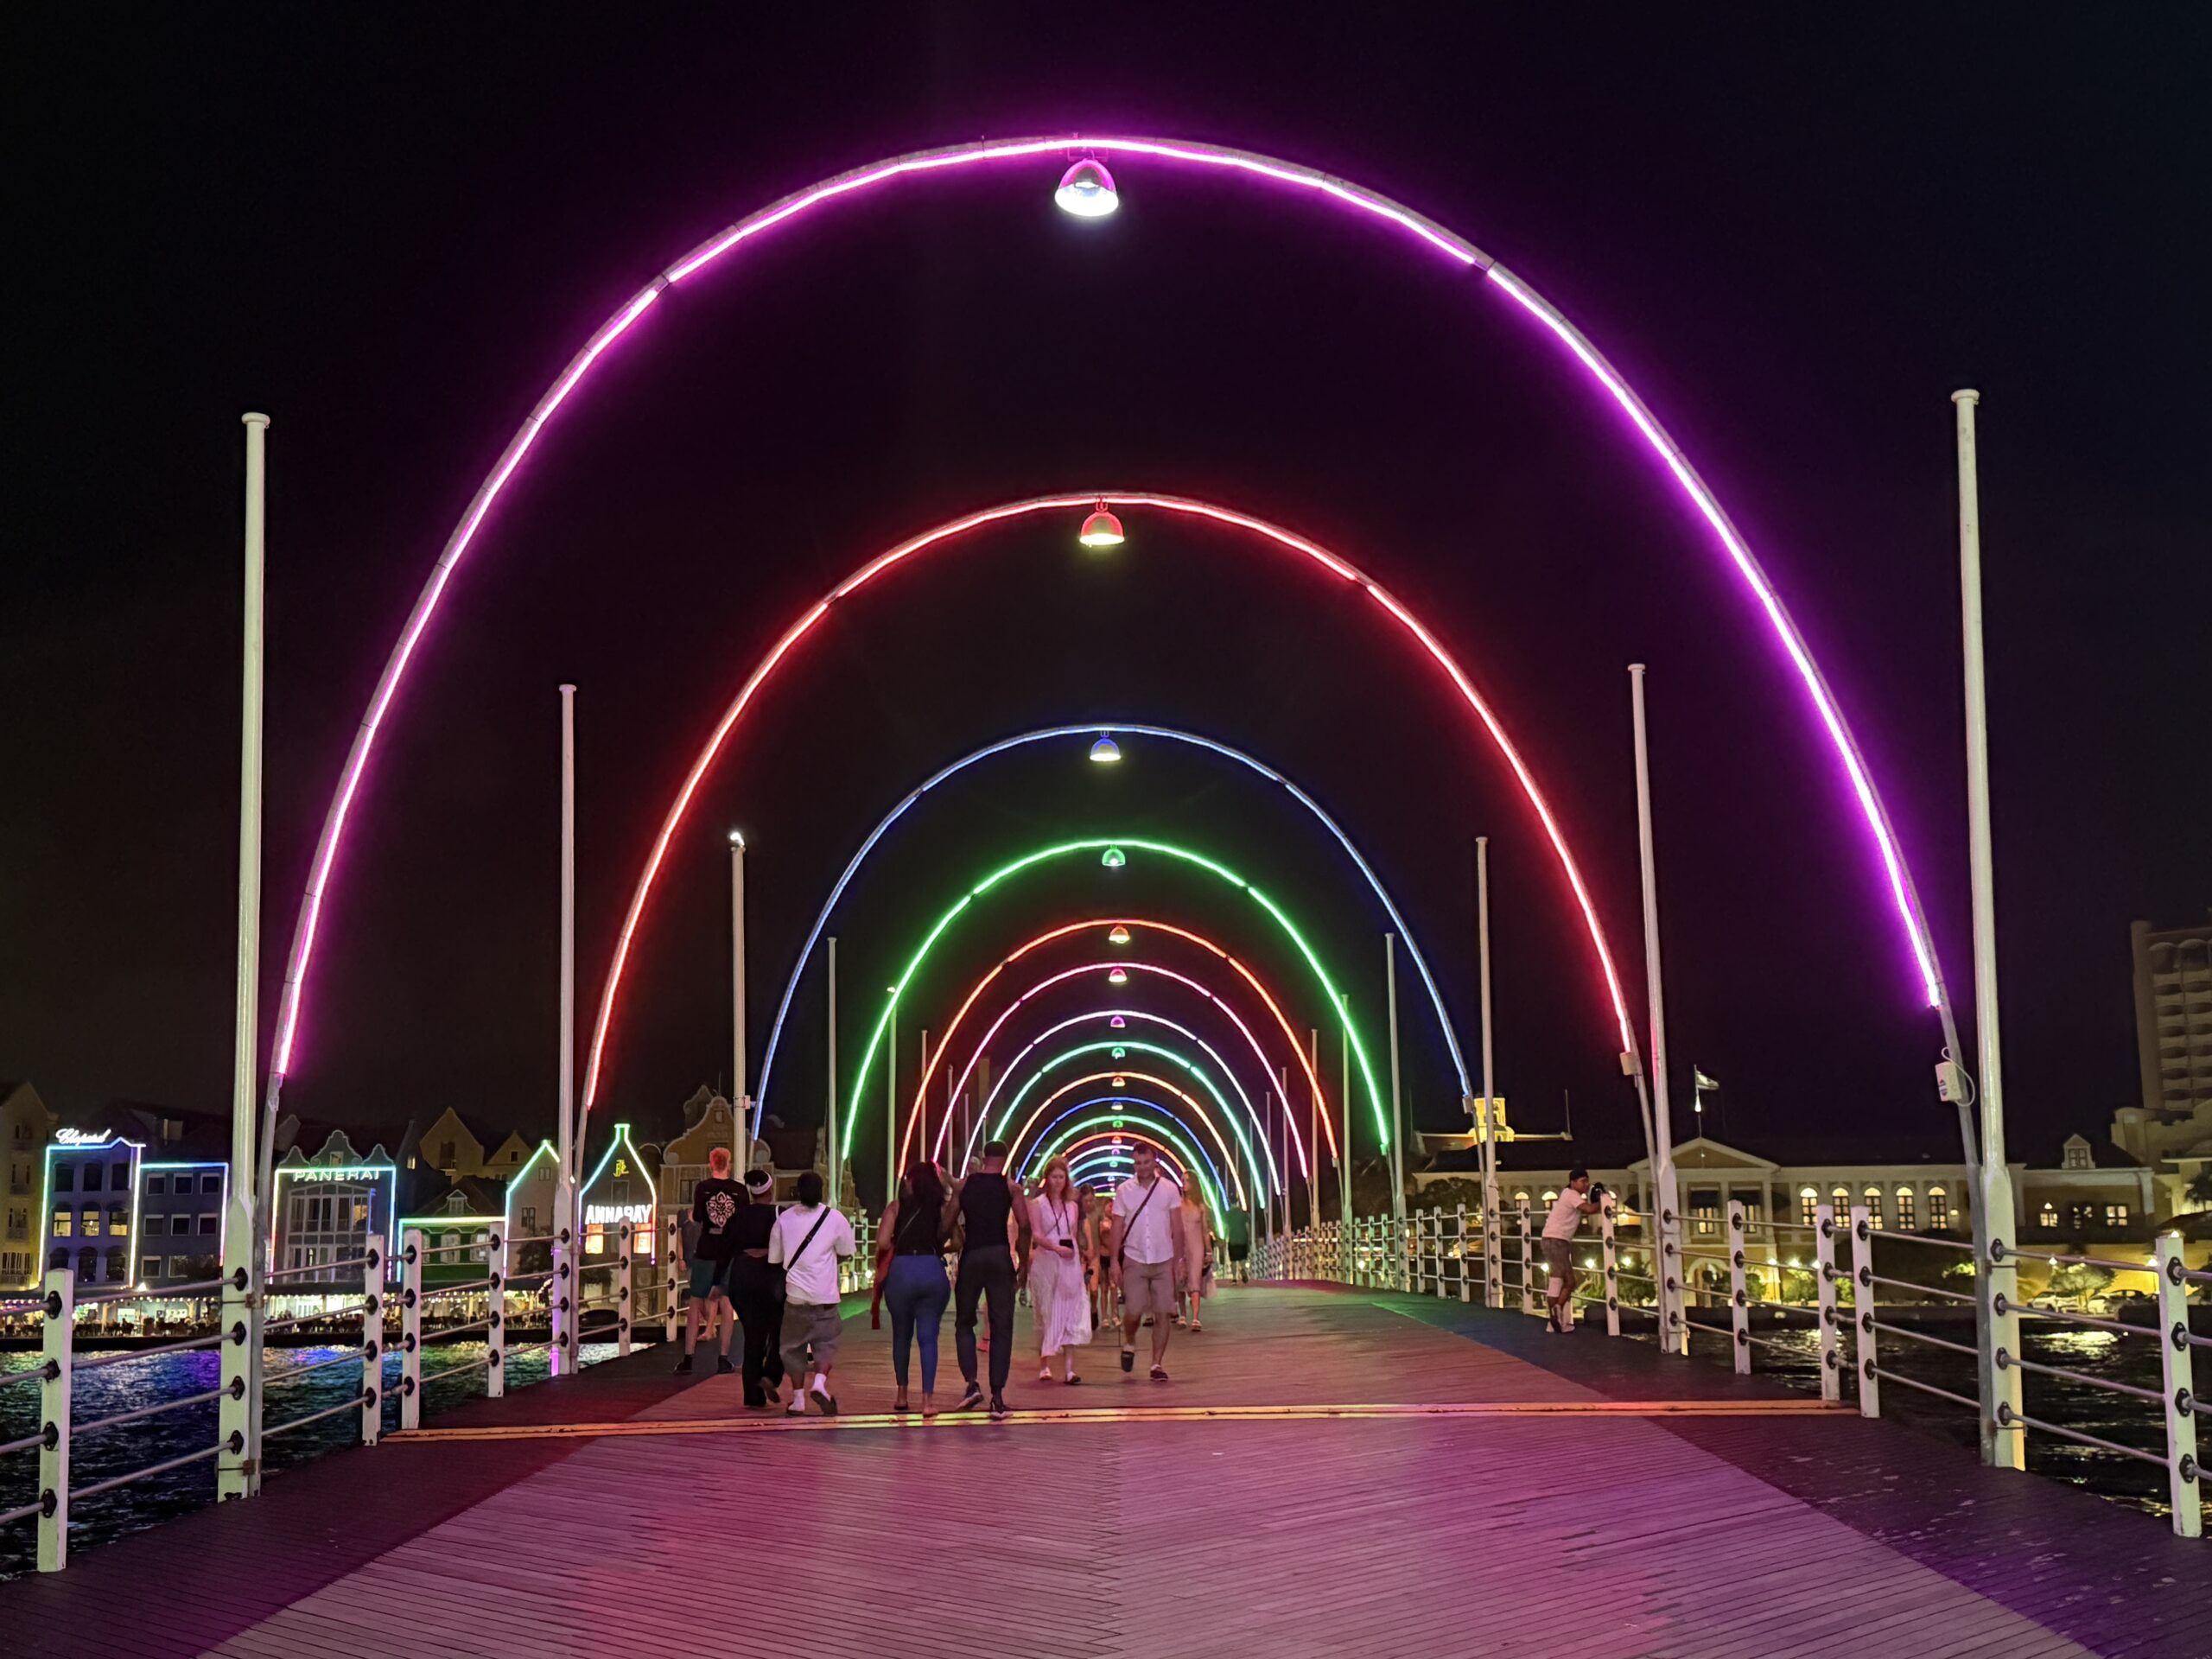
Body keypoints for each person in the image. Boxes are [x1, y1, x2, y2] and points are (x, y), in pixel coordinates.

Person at [951, 1139, 1033, 1419]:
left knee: (964, 1321)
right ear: (1005, 1158)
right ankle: (997, 1398)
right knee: (1002, 1327)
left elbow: (948, 1221)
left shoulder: (964, 1186)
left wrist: (952, 1242)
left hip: (972, 1256)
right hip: (999, 1256)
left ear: (983, 1158)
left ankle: (972, 1383)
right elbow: (1025, 1225)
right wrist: (1022, 1263)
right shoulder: (1011, 1188)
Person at [769, 1169, 855, 1414]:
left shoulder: (784, 1219)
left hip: (795, 1297)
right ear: (822, 1192)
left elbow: (775, 1259)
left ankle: (798, 1400)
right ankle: (819, 1383)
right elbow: (847, 1251)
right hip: (825, 1296)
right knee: (826, 1343)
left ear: (798, 1191)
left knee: (792, 1348)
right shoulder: (836, 1218)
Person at [877, 1160, 956, 1415]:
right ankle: (927, 1402)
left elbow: (882, 1242)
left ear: (909, 1182)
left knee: (901, 1335)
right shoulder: (940, 1209)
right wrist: (934, 1247)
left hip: (901, 1272)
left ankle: (901, 1395)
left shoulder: (896, 1207)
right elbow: (957, 1241)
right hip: (931, 1270)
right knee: (928, 1337)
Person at [1111, 1145, 1185, 1382]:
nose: (1142, 1167)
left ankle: (1156, 1364)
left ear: (1155, 1162)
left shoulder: (1169, 1189)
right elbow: (1116, 1226)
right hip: (1135, 1258)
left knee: (1163, 1312)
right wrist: (1114, 1260)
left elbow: (1177, 1227)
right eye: (1137, 1163)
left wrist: (1179, 1259)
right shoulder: (1124, 1191)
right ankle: (1130, 1342)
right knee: (1133, 1311)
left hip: (1163, 1258)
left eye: (1146, 1162)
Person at [674, 1146, 744, 1376]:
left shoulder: (702, 1188)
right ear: (729, 1164)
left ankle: (688, 1358)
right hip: (730, 1250)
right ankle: (724, 1357)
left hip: (706, 1250)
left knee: (696, 1302)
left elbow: (699, 1217)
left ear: (711, 1164)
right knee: (726, 1303)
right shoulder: (739, 1190)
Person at [1027, 1156, 1093, 1382]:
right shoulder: (1037, 1205)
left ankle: (1069, 1369)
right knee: (1046, 1312)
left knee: (1071, 1312)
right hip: (1047, 1262)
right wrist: (1055, 1247)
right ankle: (1044, 1365)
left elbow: (1073, 1235)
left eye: (1061, 1177)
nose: (1058, 1181)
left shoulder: (1073, 1206)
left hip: (1069, 1262)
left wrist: (1077, 1256)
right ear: (1048, 1178)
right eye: (1054, 1177)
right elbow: (1036, 1234)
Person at [728, 1165, 785, 1406]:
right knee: (779, 1332)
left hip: (741, 1278)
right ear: (770, 1191)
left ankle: (752, 1395)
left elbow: (726, 1249)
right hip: (770, 1279)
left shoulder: (737, 1216)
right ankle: (771, 1374)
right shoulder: (780, 1215)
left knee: (752, 1337)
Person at [1542, 1168, 1605, 1334]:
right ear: (1573, 1182)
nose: (1586, 1184)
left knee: (1563, 1280)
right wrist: (1603, 1200)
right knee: (1564, 1280)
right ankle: (1555, 1315)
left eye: (1587, 1181)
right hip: (1557, 1241)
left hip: (1553, 1240)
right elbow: (1590, 1210)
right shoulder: (1571, 1195)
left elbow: (1589, 1209)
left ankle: (1555, 1319)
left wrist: (1595, 1202)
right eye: (1583, 1181)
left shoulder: (1567, 1194)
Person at [1173, 1182, 1211, 1333]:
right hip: (1181, 1246)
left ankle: (1195, 1318)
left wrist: (1208, 1251)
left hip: (1196, 1247)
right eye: (1183, 1180)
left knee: (1195, 1280)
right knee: (1181, 1281)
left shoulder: (1201, 1206)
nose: (1185, 1184)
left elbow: (1205, 1230)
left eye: (1189, 1181)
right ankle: (1183, 1315)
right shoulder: (1177, 1205)